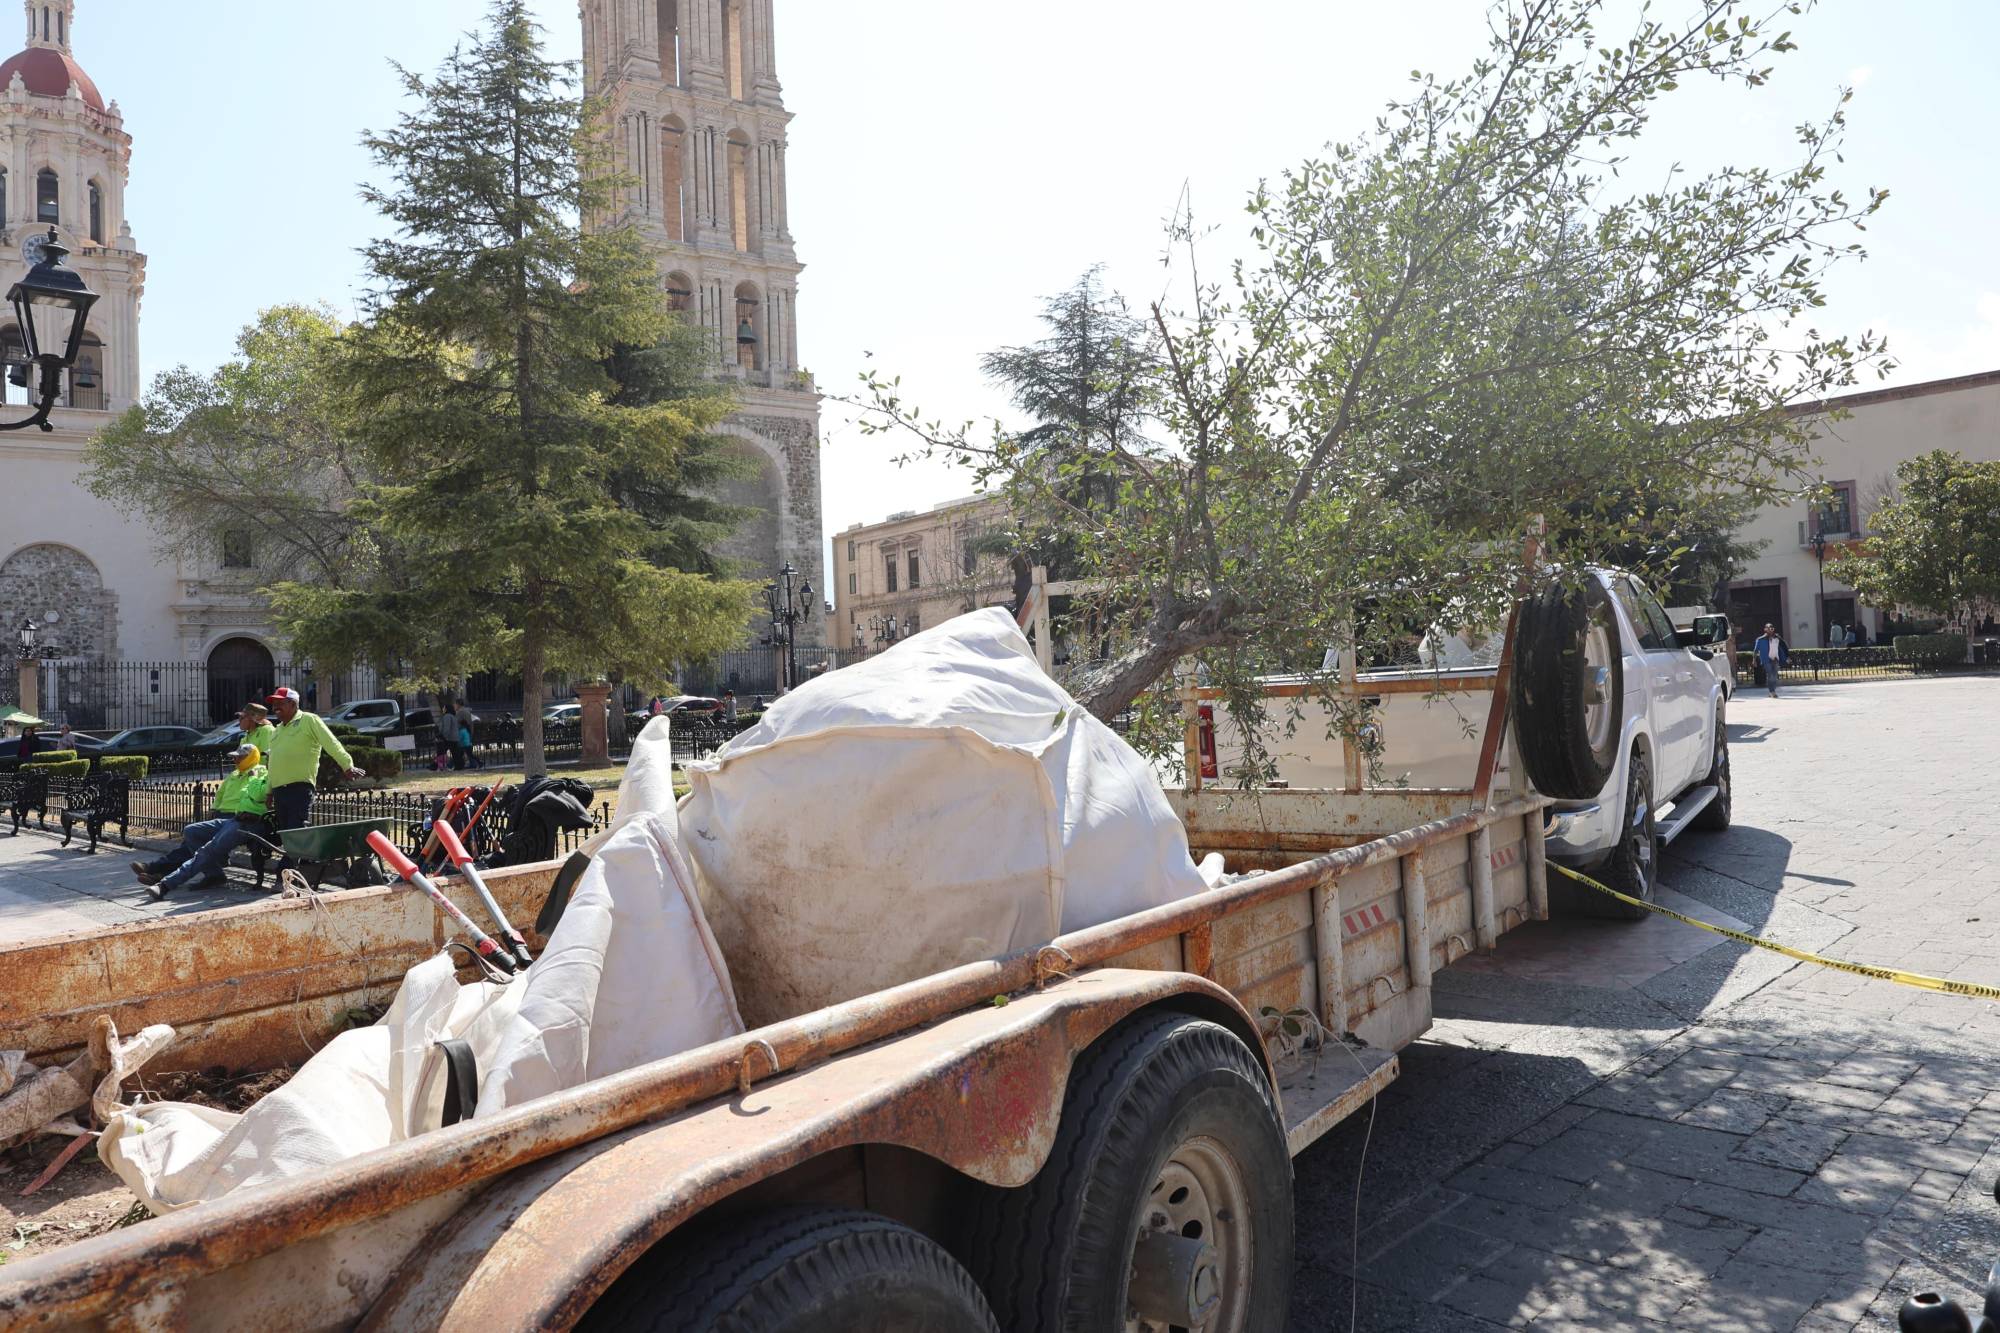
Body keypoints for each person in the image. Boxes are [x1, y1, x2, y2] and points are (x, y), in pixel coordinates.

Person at [131, 743, 270, 898]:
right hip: (234, 818)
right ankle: (210, 873)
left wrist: (252, 779)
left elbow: (257, 795)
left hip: (248, 822)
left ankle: (163, 881)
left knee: (205, 851)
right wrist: (215, 809)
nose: (236, 760)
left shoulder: (261, 773)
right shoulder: (239, 775)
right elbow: (226, 794)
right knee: (192, 832)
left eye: (240, 757)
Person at [263, 686, 364, 866]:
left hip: (299, 788)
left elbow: (331, 742)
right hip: (279, 791)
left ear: (293, 704)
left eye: (280, 703)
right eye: (274, 704)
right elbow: (273, 763)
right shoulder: (277, 730)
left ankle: (286, 874)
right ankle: (306, 866)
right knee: (287, 833)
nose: (275, 707)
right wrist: (269, 790)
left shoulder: (309, 720)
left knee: (296, 832)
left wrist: (347, 765)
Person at [1753, 622, 1789, 698]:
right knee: (1770, 675)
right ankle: (1772, 691)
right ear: (1765, 630)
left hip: (1775, 659)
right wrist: (1754, 660)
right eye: (1768, 629)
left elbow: (1784, 647)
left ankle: (1772, 691)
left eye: (1772, 629)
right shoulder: (1760, 640)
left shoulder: (1777, 638)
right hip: (1766, 660)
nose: (1770, 630)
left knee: (1775, 676)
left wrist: (1787, 656)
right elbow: (1756, 650)